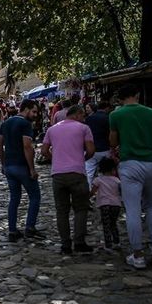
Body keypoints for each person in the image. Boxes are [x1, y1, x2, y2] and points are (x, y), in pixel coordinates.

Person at [109, 84, 152, 269]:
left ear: (120, 98)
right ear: (137, 95)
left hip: (130, 163)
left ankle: (138, 254)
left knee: (132, 209)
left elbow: (113, 141)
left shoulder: (116, 115)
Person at [41, 105, 95, 254]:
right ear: (77, 114)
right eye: (83, 115)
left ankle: (65, 244)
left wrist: (55, 159)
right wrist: (82, 159)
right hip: (77, 173)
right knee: (80, 209)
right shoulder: (84, 128)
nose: (84, 118)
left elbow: (44, 150)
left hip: (58, 174)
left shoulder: (52, 129)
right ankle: (79, 242)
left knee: (61, 211)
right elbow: (91, 150)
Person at [0, 99, 43, 242]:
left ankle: (12, 230)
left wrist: (3, 164)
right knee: (35, 196)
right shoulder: (25, 124)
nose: (35, 115)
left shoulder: (5, 123)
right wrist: (32, 169)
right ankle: (30, 227)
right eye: (34, 111)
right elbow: (27, 146)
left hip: (10, 166)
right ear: (26, 109)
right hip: (22, 165)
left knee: (14, 199)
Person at [90, 158, 122, 251]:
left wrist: (87, 197)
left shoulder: (98, 180)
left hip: (105, 205)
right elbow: (121, 192)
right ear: (113, 169)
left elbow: (93, 192)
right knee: (113, 224)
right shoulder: (117, 180)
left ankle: (108, 245)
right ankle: (117, 242)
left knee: (106, 225)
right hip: (116, 205)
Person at [84, 102, 111, 188]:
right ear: (107, 108)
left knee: (89, 173)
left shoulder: (89, 119)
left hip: (91, 149)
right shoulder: (107, 118)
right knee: (105, 172)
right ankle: (104, 192)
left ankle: (87, 192)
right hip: (105, 148)